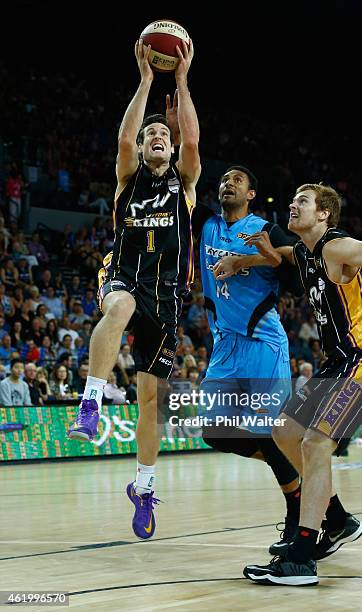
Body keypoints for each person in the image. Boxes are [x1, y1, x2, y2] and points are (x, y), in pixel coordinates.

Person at [67, 37, 200, 542]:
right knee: (117, 305)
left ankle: (144, 489)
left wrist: (182, 84)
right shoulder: (128, 178)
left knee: (151, 402)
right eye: (151, 135)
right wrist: (146, 80)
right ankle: (91, 402)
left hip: (167, 298)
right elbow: (124, 141)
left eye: (163, 133)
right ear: (143, 148)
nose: (158, 137)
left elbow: (192, 141)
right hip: (125, 273)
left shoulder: (185, 183)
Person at [240, 183, 362, 586]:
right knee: (284, 431)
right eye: (292, 199)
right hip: (337, 361)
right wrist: (240, 261)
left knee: (315, 444)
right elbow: (278, 255)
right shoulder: (304, 253)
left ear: (325, 214)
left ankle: (302, 558)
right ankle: (338, 520)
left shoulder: (335, 247)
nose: (293, 205)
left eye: (303, 202)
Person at [193, 165, 304, 553]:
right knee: (213, 430)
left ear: (252, 193)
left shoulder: (265, 230)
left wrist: (254, 260)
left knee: (270, 432)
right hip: (224, 346)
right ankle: (295, 474)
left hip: (262, 342)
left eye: (238, 180)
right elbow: (185, 170)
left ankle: (299, 511)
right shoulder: (206, 224)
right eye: (224, 179)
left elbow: (295, 270)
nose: (228, 183)